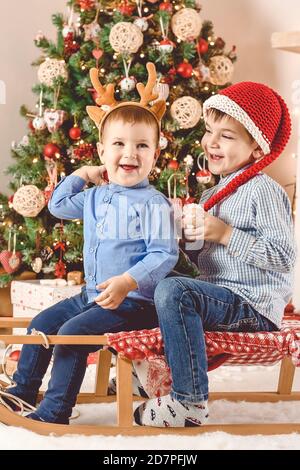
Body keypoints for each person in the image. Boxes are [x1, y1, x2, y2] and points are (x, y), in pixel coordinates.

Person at [4, 63, 178, 424]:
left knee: (71, 334)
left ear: (155, 156)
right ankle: (21, 392)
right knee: (42, 321)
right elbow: (57, 205)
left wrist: (128, 281)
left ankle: (55, 410)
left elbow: (164, 253)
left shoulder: (154, 203)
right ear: (102, 153)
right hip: (91, 295)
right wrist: (81, 174)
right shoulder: (95, 196)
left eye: (141, 145)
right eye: (118, 144)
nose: (129, 153)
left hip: (133, 303)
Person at [134, 81, 296, 427]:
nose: (211, 142)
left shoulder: (263, 191)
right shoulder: (216, 192)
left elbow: (284, 257)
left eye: (227, 136)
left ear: (257, 148)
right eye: (209, 131)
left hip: (252, 303)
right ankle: (153, 372)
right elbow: (206, 263)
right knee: (155, 281)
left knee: (174, 291)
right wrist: (181, 238)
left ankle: (189, 401)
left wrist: (223, 233)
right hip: (221, 296)